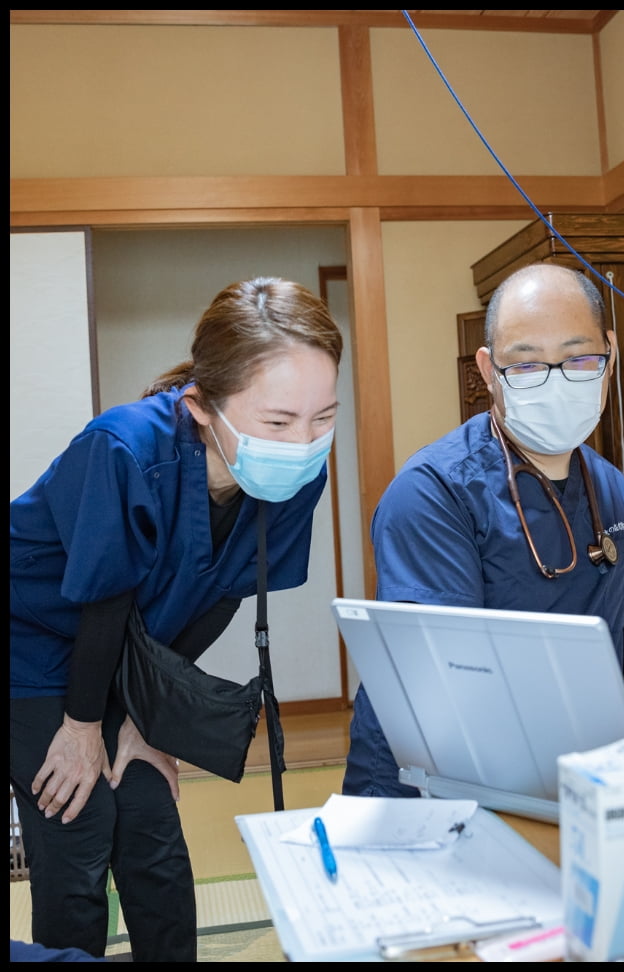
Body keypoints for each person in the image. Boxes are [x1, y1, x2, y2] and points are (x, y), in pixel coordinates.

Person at [10, 277, 344, 962]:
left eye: (324, 417)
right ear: (200, 406)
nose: (305, 442)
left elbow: (220, 595)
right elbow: (101, 595)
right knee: (78, 818)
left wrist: (142, 723)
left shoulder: (296, 470)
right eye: (278, 422)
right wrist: (81, 728)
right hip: (31, 638)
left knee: (150, 819)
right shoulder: (125, 448)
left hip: (126, 650)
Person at [343, 262, 624, 797]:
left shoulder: (608, 486)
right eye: (526, 366)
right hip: (433, 787)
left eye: (578, 358)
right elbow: (451, 689)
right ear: (488, 368)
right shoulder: (434, 494)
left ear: (609, 355)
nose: (556, 381)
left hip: (568, 776)